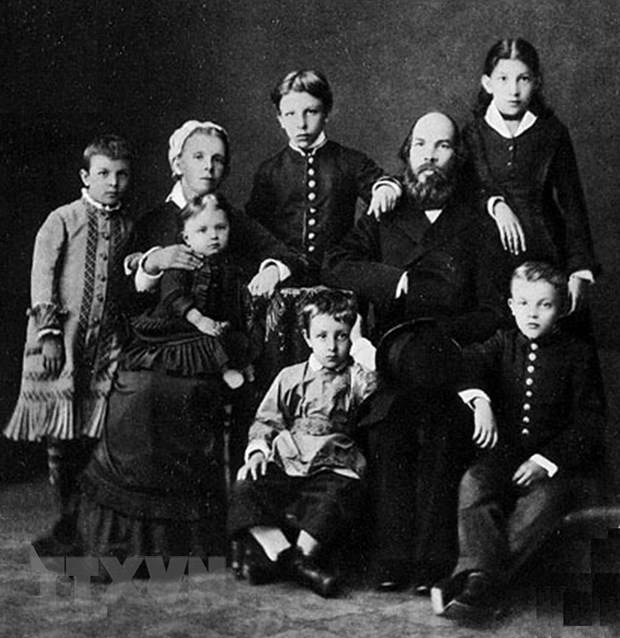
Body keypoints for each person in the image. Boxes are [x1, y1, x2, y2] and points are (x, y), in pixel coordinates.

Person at [323, 112, 506, 592]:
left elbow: (493, 312)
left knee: (443, 430)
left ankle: (431, 564)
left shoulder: (477, 224)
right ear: (407, 154)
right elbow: (335, 263)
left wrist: (440, 334)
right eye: (421, 145)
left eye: (442, 146)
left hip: (450, 359)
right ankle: (392, 560)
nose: (430, 156)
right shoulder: (386, 213)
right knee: (387, 430)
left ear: (456, 157)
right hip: (393, 363)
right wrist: (395, 281)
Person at [431, 262, 605, 620]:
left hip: (556, 466)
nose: (532, 313)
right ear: (511, 306)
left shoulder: (578, 354)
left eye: (545, 304)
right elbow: (467, 364)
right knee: (474, 484)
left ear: (562, 308)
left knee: (541, 504)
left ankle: (477, 582)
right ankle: (483, 583)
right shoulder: (502, 343)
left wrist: (545, 462)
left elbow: (589, 422)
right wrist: (480, 401)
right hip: (506, 456)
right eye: (523, 303)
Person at [4, 134, 135, 549]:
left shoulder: (128, 225)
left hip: (104, 346)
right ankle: (65, 519)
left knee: (91, 432)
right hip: (63, 343)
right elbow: (42, 276)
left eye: (121, 175)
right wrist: (49, 334)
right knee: (61, 432)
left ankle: (85, 521)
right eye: (103, 173)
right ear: (85, 176)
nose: (112, 182)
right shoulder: (63, 218)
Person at [228, 287, 377, 597]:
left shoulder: (356, 377)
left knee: (339, 493)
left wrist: (361, 345)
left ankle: (291, 559)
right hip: (288, 458)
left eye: (341, 336)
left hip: (331, 462)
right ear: (307, 338)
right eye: (322, 336)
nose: (332, 346)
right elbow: (267, 420)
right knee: (246, 486)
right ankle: (292, 561)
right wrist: (257, 453)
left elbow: (375, 390)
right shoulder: (290, 376)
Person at [464, 38, 597, 316]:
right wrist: (496, 205)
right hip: (486, 255)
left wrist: (578, 268)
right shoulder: (473, 133)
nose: (513, 90)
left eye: (523, 79)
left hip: (545, 251)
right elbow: (465, 192)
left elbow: (573, 202)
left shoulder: (552, 132)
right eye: (503, 79)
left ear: (536, 82)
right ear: (487, 83)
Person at [245, 69, 398, 283]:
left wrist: (385, 188)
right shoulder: (269, 171)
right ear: (280, 119)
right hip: (286, 277)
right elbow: (255, 229)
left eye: (311, 112)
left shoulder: (349, 160)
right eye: (290, 114)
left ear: (326, 113)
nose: (301, 123)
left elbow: (380, 181)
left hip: (339, 276)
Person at [126, 193, 259, 391]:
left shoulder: (228, 265)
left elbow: (230, 300)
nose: (213, 236)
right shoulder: (181, 264)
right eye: (202, 230)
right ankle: (226, 370)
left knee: (232, 337)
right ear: (187, 238)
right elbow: (173, 296)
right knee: (206, 340)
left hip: (207, 322)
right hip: (174, 324)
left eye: (221, 228)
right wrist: (198, 319)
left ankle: (239, 364)